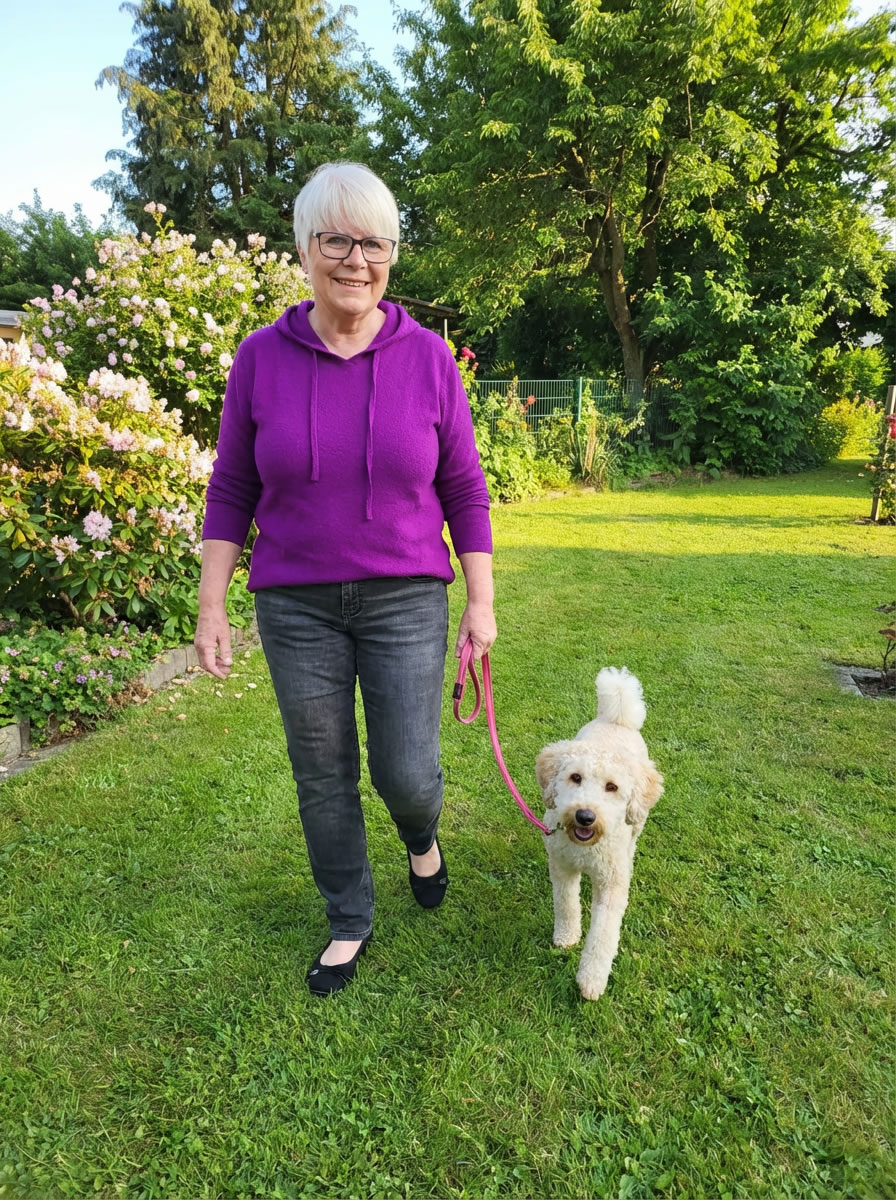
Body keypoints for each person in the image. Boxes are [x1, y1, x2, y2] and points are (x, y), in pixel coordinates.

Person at [195, 162, 496, 997]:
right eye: (338, 239)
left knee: (407, 772)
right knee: (322, 768)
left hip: (404, 597)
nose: (356, 259)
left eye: (375, 242)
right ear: (305, 248)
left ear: (391, 254)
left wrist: (480, 601)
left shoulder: (430, 360)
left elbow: (463, 487)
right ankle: (349, 918)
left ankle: (420, 836)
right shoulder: (261, 358)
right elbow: (233, 485)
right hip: (295, 604)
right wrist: (212, 603)